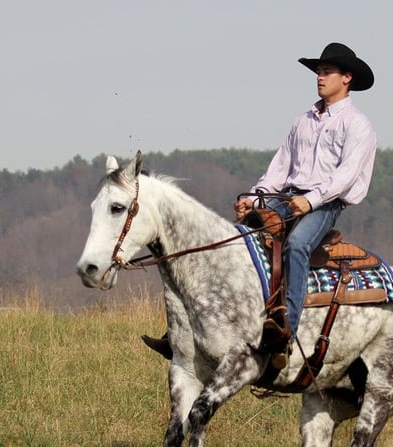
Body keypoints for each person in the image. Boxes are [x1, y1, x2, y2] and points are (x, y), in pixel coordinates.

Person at [143, 42, 377, 360]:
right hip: (286, 197)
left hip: (325, 204)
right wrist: (254, 200)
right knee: (231, 239)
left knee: (296, 246)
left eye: (326, 72)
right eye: (319, 72)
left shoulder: (357, 125)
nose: (320, 78)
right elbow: (280, 168)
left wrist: (310, 201)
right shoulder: (302, 121)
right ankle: (184, 331)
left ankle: (285, 332)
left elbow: (346, 176)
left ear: (346, 78)